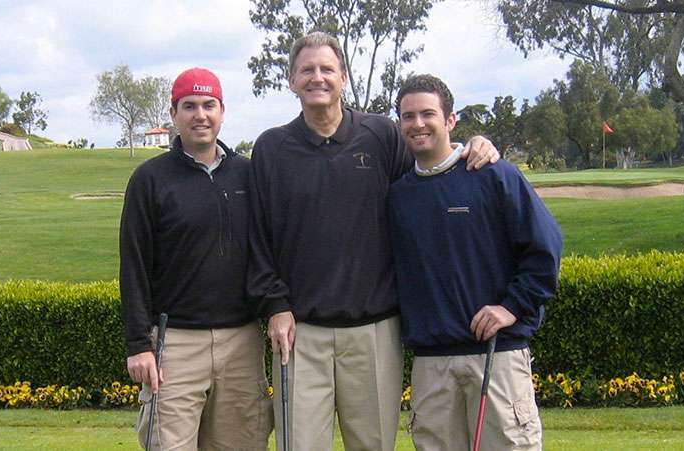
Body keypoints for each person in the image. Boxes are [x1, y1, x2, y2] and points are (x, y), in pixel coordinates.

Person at [248, 32, 499, 451]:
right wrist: (274, 305)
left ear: (343, 77)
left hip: (375, 330)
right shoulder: (272, 148)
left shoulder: (381, 135)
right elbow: (258, 236)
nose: (318, 77)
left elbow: (431, 172)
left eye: (327, 68)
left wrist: (471, 146)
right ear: (291, 80)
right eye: (307, 70)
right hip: (299, 333)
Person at [389, 74, 562, 451]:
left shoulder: (493, 174)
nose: (418, 123)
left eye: (428, 114)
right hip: (431, 364)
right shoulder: (398, 195)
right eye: (408, 116)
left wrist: (512, 307)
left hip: (495, 357)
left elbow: (545, 249)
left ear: (450, 120)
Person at [120, 67, 272, 451]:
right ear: (174, 114)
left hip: (241, 341)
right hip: (175, 345)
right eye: (189, 106)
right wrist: (138, 343)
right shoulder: (150, 179)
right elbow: (134, 263)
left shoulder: (248, 175)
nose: (200, 115)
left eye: (209, 105)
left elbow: (268, 252)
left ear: (222, 111)